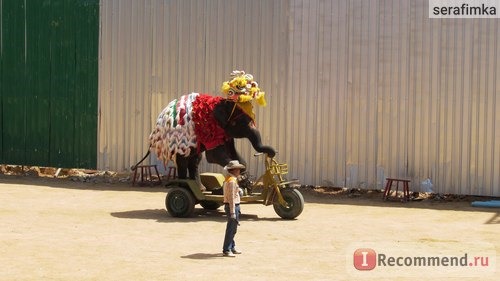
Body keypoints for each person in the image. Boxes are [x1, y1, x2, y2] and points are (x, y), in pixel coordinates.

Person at [222, 160, 245, 257]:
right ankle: (227, 249)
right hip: (233, 206)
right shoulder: (231, 181)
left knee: (233, 228)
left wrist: (238, 190)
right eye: (238, 169)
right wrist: (232, 212)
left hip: (234, 205)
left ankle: (231, 247)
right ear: (234, 170)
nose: (239, 171)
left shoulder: (231, 179)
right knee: (231, 229)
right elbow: (231, 197)